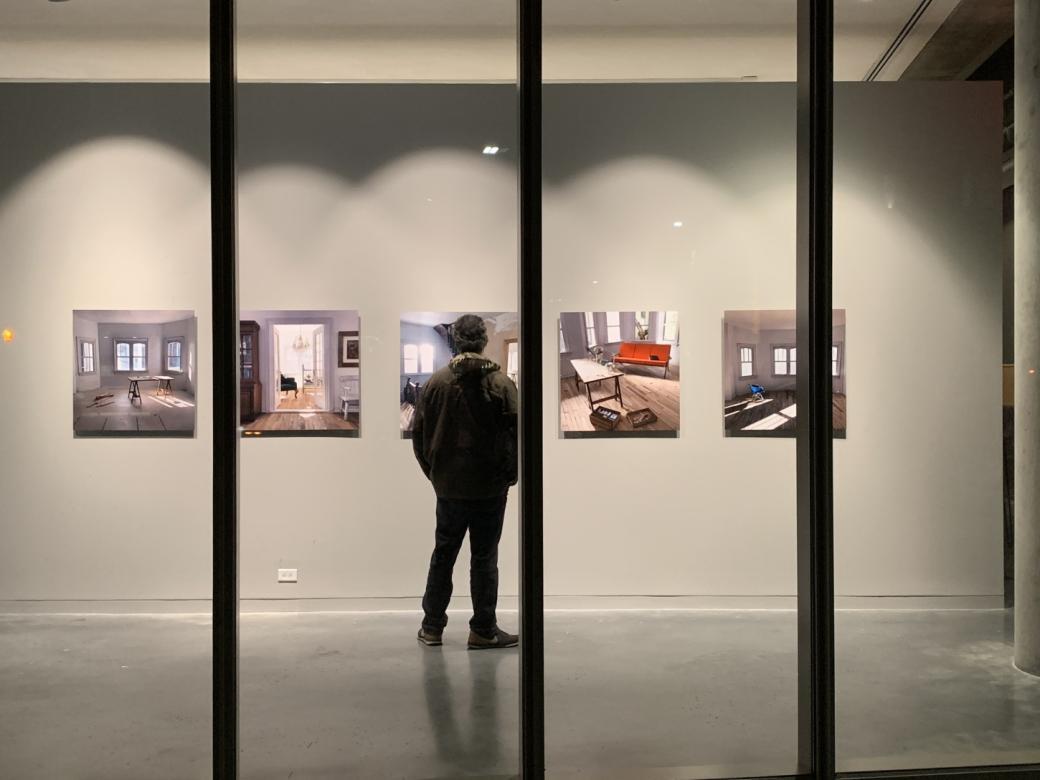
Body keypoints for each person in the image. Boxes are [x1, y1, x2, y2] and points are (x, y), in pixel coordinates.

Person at [412, 314, 519, 650]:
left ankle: (432, 627)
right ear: (483, 341)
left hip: (449, 486)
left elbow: (418, 436)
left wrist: (435, 473)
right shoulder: (502, 384)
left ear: (455, 340)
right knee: (484, 558)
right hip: (489, 486)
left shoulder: (435, 383)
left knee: (443, 554)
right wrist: (509, 475)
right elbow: (516, 436)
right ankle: (483, 629)